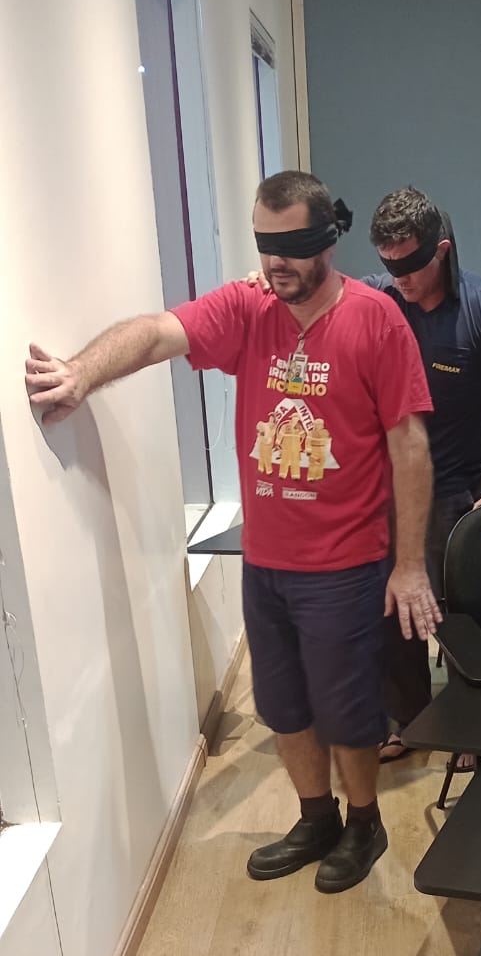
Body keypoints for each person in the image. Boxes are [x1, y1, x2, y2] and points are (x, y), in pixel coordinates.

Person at [24, 170, 439, 893]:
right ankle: (316, 818)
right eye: (265, 244)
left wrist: (409, 565)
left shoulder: (376, 319)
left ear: (328, 242)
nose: (276, 261)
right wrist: (82, 372)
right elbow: (158, 332)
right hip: (266, 560)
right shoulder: (249, 309)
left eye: (294, 245)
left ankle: (364, 822)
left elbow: (409, 447)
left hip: (345, 563)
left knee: (347, 711)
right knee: (283, 704)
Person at [363, 187, 481, 762]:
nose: (400, 278)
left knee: (456, 612)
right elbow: (314, 297)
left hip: (452, 486)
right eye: (389, 265)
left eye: (410, 265)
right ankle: (408, 717)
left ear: (441, 250)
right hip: (383, 488)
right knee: (391, 608)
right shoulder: (378, 298)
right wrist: (267, 283)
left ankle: (470, 720)